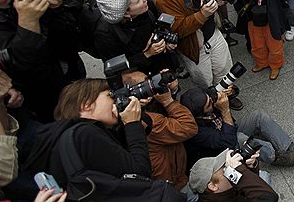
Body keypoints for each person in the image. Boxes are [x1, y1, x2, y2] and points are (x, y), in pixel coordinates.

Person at [24, 79, 184, 201]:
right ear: (86, 105)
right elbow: (140, 175)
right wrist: (132, 125)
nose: (115, 102)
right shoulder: (85, 134)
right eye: (110, 96)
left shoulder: (61, 139)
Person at [154, 0, 242, 110]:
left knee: (224, 68)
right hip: (193, 45)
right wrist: (203, 14)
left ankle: (227, 95)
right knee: (204, 78)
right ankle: (211, 103)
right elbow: (177, 28)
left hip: (212, 33)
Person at [180, 87, 294, 169]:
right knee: (241, 138)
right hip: (221, 151)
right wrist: (225, 109)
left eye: (210, 98)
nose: (212, 101)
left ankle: (287, 146)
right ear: (200, 113)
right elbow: (229, 141)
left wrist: (232, 91)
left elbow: (232, 92)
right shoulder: (196, 131)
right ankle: (277, 157)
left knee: (258, 116)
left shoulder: (205, 98)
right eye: (209, 104)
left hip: (228, 128)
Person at [122, 70, 197, 189]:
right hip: (171, 182)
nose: (151, 84)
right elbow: (188, 127)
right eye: (146, 83)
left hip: (175, 171)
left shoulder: (135, 110)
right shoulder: (145, 121)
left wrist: (171, 90)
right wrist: (168, 101)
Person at [188, 149, 278, 201]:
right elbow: (269, 197)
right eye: (225, 168)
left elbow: (244, 190)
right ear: (213, 186)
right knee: (264, 178)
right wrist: (240, 171)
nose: (229, 169)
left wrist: (250, 167)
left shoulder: (224, 191)